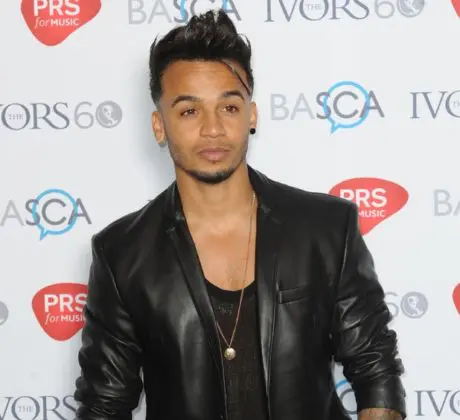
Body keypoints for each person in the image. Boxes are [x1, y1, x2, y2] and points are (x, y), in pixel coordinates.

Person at [74, 8, 406, 420]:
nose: (213, 129)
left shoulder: (325, 228)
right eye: (189, 111)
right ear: (159, 126)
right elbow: (103, 404)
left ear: (252, 115)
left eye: (229, 107)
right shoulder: (122, 254)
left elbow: (375, 368)